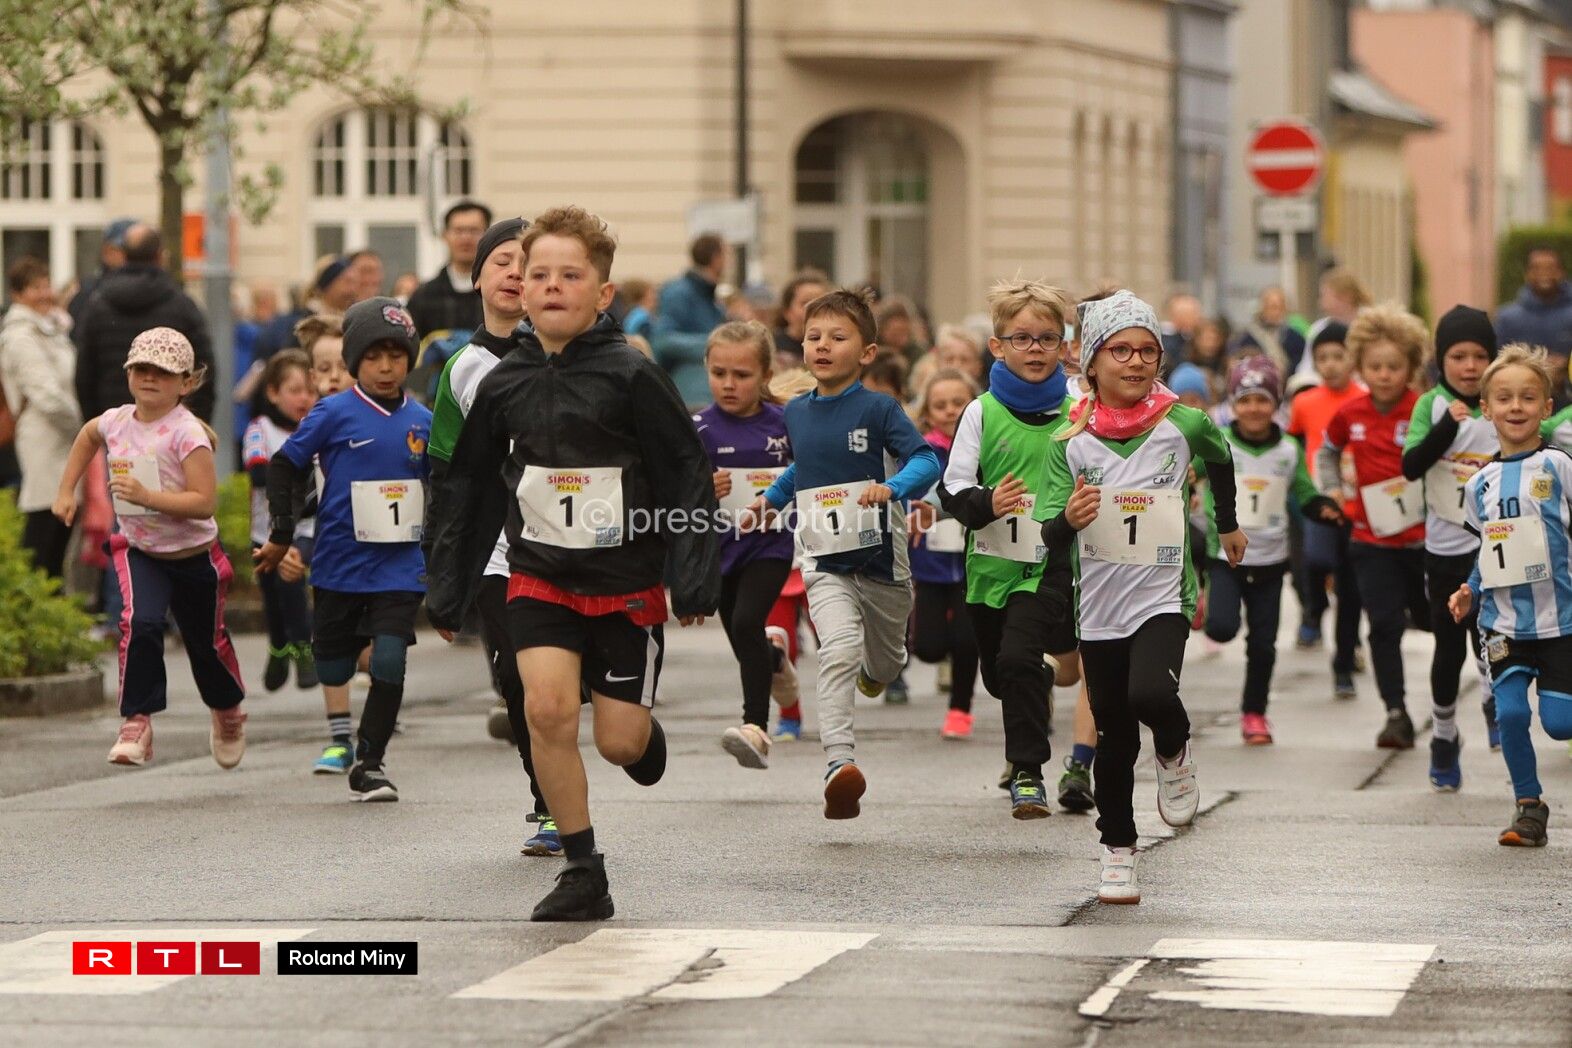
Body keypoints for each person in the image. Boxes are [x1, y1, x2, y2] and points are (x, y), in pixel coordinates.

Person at [426, 206, 720, 921]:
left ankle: (640, 738)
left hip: (624, 583)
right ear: (521, 290)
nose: (552, 286)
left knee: (618, 742)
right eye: (540, 275)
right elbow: (467, 487)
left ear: (603, 293)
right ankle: (584, 871)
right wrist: (449, 587)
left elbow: (684, 471)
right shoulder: (502, 384)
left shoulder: (632, 375)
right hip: (539, 575)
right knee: (547, 711)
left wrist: (692, 574)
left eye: (571, 275)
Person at [1040, 289, 1245, 905]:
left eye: (1147, 351)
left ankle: (1175, 747)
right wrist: (1068, 519)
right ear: (1092, 362)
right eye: (1120, 350)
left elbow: (1222, 459)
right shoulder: (1069, 437)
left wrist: (1228, 524)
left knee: (1150, 694)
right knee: (1114, 735)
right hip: (1099, 606)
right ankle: (1118, 849)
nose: (1135, 362)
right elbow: (1048, 532)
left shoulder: (1184, 422)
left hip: (1163, 596)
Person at [745, 288, 941, 820]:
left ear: (867, 352)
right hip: (824, 560)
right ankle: (839, 764)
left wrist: (894, 487)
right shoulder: (797, 412)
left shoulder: (879, 409)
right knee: (838, 650)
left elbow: (926, 460)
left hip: (883, 564)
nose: (823, 346)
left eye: (837, 337)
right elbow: (802, 467)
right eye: (814, 337)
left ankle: (879, 670)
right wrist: (770, 500)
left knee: (885, 662)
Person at [256, 297, 432, 802]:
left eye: (396, 356)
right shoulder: (333, 412)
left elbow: (443, 486)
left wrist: (442, 558)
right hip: (339, 561)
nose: (385, 367)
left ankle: (370, 763)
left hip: (400, 564)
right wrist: (281, 535)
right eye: (373, 357)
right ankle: (336, 675)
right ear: (355, 360)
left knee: (390, 660)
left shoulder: (423, 419)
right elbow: (284, 466)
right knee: (333, 665)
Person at [51, 328, 246, 769]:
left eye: (163, 372)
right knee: (139, 623)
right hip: (140, 550)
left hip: (194, 556)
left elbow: (204, 503)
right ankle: (136, 722)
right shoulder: (116, 420)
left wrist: (147, 497)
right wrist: (65, 490)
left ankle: (227, 710)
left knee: (206, 644)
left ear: (186, 383)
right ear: (128, 375)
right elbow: (87, 436)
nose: (150, 378)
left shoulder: (186, 433)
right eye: (141, 369)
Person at [424, 216, 558, 855]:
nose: (513, 272)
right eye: (501, 260)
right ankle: (551, 806)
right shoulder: (461, 369)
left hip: (571, 543)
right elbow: (448, 480)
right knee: (522, 684)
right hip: (500, 553)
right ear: (477, 277)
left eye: (526, 263)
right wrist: (443, 576)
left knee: (569, 687)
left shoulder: (568, 355)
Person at [937, 280, 1081, 818]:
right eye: (1022, 339)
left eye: (1047, 338)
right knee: (1002, 676)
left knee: (1018, 656)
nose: (1035, 349)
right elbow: (952, 488)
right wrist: (988, 501)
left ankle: (1027, 773)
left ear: (1064, 345)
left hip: (1049, 563)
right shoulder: (981, 412)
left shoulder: (1079, 411)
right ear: (998, 347)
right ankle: (1037, 680)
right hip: (990, 564)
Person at [1448, 344, 1572, 847]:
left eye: (1527, 397)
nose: (1515, 407)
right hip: (1502, 624)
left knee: (1561, 725)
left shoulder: (1559, 467)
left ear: (1547, 407)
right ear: (1487, 408)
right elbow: (1489, 550)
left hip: (1562, 621)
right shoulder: (1479, 484)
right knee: (1513, 714)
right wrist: (1470, 589)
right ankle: (1529, 807)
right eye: (1504, 398)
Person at [1203, 357, 1343, 744]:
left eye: (1262, 400)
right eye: (1245, 400)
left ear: (1276, 404)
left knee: (1263, 646)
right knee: (1221, 628)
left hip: (1270, 560)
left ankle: (1255, 714)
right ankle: (1205, 604)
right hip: (1225, 558)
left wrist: (1322, 508)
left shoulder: (1288, 449)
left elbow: (1304, 492)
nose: (1253, 409)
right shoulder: (1217, 442)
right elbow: (1187, 473)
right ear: (1233, 404)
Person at [1315, 304, 1429, 751]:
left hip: (1422, 540)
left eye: (1394, 367)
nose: (1384, 375)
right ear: (1360, 367)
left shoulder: (1423, 410)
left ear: (1411, 368)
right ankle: (1396, 712)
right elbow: (1327, 451)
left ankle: (1448, 702)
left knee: (1430, 618)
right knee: (1383, 625)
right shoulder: (1351, 413)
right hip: (1370, 538)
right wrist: (1333, 490)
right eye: (1375, 366)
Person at [1400, 305, 1501, 785]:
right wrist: (1448, 427)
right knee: (1448, 648)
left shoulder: (1502, 402)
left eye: (1480, 356)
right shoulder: (1431, 405)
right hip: (1444, 549)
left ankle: (1494, 701)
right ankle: (1443, 735)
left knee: (1493, 638)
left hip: (1496, 547)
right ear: (1441, 361)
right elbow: (1411, 466)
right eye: (1459, 356)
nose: (1470, 366)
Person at [697, 320, 795, 768]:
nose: (729, 384)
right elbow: (675, 490)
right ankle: (773, 658)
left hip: (770, 545)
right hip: (721, 549)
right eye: (719, 373)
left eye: (742, 375)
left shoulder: (785, 424)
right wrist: (702, 487)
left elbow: (811, 474)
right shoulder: (698, 427)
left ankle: (754, 727)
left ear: (765, 375)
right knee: (745, 637)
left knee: (746, 621)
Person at [289, 312, 359, 773]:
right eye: (323, 368)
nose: (333, 377)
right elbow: (298, 494)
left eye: (343, 367)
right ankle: (339, 737)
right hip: (331, 550)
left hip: (382, 551)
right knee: (330, 641)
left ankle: (380, 714)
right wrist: (291, 544)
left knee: (375, 650)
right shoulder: (313, 428)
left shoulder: (389, 419)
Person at [1287, 321, 1366, 695]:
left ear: (1353, 358)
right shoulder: (1305, 402)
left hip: (1357, 503)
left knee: (1350, 586)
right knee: (1315, 561)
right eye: (1323, 358)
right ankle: (1314, 609)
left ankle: (1347, 657)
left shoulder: (1364, 398)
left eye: (1338, 356)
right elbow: (1292, 444)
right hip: (1320, 500)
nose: (1331, 364)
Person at [72, 224, 215, 422]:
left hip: (113, 423)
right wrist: (195, 422)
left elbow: (85, 375)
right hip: (171, 423)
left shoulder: (98, 306)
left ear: (123, 255)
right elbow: (204, 370)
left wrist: (97, 424)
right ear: (161, 256)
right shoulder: (182, 306)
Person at [907, 367, 980, 740]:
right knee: (929, 648)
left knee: (968, 641)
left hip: (974, 562)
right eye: (941, 405)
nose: (951, 410)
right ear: (927, 413)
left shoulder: (986, 447)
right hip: (931, 563)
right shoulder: (922, 453)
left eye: (958, 403)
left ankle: (959, 710)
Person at [1, 258, 81, 577]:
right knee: (44, 525)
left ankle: (51, 598)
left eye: (47, 285)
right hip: (44, 441)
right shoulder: (20, 336)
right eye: (35, 287)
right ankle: (32, 599)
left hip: (63, 440)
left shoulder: (52, 328)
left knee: (60, 529)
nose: (45, 293)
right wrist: (84, 429)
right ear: (17, 295)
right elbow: (46, 396)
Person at [651, 233, 729, 408]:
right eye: (726, 255)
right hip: (688, 392)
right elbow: (663, 340)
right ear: (716, 258)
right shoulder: (679, 293)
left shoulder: (709, 297)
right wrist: (716, 344)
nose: (728, 262)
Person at [1496, 246, 1572, 405]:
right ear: (1527, 274)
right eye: (1536, 268)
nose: (1544, 273)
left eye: (1550, 268)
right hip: (1523, 404)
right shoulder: (1507, 318)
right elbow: (1497, 362)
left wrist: (1565, 364)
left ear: (1561, 272)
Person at [407, 200, 492, 340]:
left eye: (474, 231)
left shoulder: (499, 293)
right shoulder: (424, 296)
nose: (466, 238)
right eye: (459, 231)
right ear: (445, 235)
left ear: (488, 235)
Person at [1295, 268, 1372, 379]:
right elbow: (1306, 367)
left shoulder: (1371, 324)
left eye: (1324, 295)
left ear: (1345, 296)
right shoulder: (1318, 329)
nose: (1320, 301)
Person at [67, 217, 134, 330]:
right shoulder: (90, 291)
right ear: (107, 251)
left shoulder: (152, 286)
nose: (130, 256)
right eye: (124, 250)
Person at [772, 270, 829, 371]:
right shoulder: (772, 347)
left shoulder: (835, 348)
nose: (814, 309)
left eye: (821, 303)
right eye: (805, 303)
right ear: (787, 311)